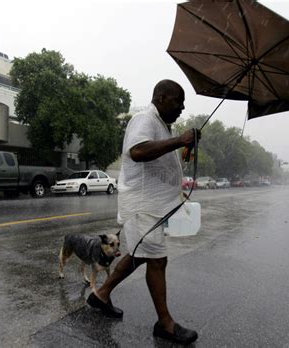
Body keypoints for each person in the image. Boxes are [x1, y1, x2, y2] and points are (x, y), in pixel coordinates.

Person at [87, 79, 200, 345]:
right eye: (177, 101)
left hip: (151, 206)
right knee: (157, 259)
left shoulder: (161, 125)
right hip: (142, 205)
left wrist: (185, 144)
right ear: (161, 97)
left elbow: (159, 158)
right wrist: (179, 139)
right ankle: (165, 324)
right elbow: (137, 151)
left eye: (183, 103)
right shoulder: (144, 119)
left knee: (138, 255)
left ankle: (100, 295)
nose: (182, 107)